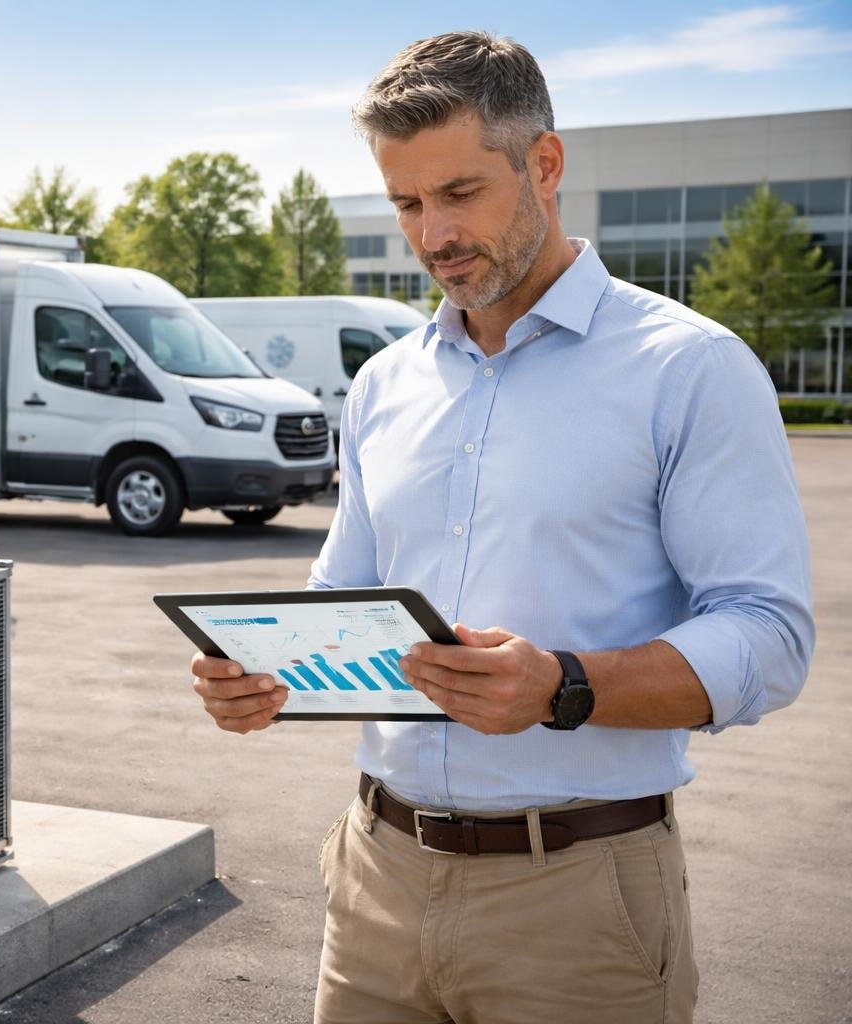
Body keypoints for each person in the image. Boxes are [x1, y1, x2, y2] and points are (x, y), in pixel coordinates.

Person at [188, 32, 813, 1024]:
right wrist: (268, 673)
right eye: (405, 203)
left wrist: (562, 683)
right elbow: (342, 600)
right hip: (375, 879)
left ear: (545, 165)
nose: (432, 233)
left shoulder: (690, 369)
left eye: (461, 192)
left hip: (576, 901)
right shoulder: (385, 384)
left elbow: (770, 638)